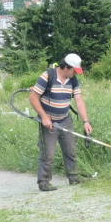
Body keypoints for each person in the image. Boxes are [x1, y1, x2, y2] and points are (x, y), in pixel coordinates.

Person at [28, 53, 93, 192]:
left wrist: (85, 121)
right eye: (74, 71)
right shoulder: (47, 77)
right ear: (66, 67)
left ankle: (74, 178)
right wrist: (44, 117)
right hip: (49, 121)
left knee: (71, 151)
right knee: (48, 154)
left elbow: (79, 101)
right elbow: (33, 98)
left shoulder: (73, 80)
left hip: (65, 119)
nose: (76, 73)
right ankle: (44, 182)